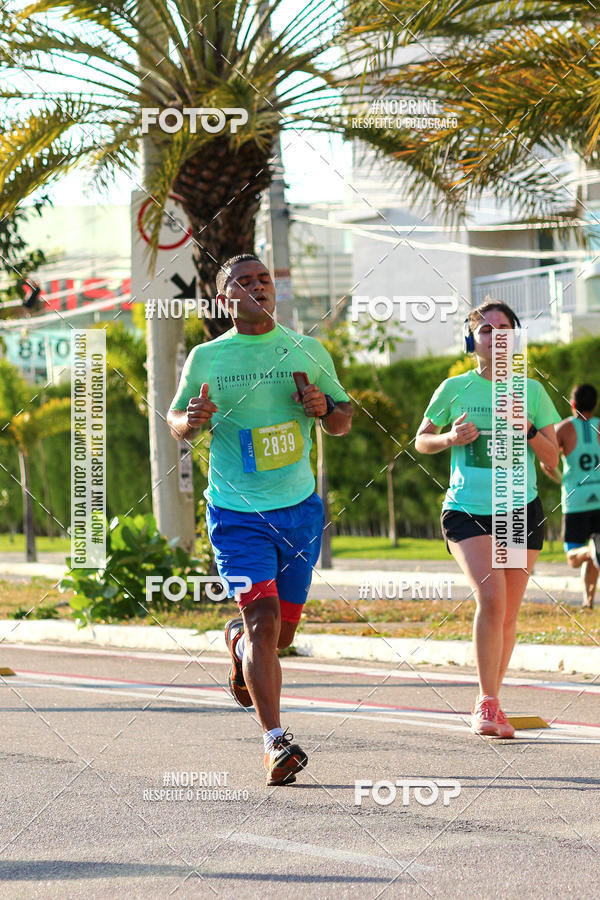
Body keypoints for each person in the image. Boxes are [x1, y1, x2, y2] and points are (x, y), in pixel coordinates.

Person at [167, 253, 352, 785]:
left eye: (264, 279)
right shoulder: (206, 358)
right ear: (226, 299)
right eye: (243, 282)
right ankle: (274, 742)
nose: (258, 287)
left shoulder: (307, 349)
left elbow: (342, 419)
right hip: (236, 514)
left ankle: (237, 646)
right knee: (263, 623)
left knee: (282, 633)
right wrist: (192, 420)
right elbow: (178, 421)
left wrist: (322, 407)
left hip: (299, 511)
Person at [415, 299, 560, 738]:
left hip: (519, 508)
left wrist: (529, 430)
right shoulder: (453, 387)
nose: (495, 335)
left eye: (504, 328)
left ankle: (493, 699)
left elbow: (554, 461)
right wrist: (450, 438)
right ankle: (487, 702)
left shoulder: (532, 392)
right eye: (485, 329)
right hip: (467, 511)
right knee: (491, 599)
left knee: (509, 613)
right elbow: (421, 442)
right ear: (470, 340)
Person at [541, 383, 600, 609]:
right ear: (595, 404)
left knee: (574, 557)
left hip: (576, 498)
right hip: (599, 495)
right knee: (597, 551)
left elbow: (548, 462)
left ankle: (588, 599)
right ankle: (588, 601)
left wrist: (560, 479)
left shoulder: (562, 428)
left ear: (572, 404)